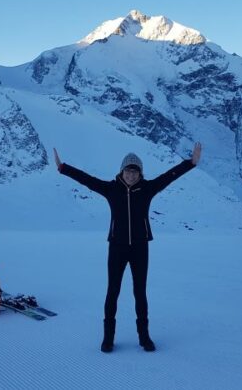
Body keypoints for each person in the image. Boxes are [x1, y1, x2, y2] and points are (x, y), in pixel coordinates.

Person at [54, 142, 202, 353]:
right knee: (112, 291)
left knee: (140, 292)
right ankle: (108, 338)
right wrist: (63, 168)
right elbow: (87, 180)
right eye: (128, 170)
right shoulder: (111, 189)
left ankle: (144, 337)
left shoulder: (148, 189)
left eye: (135, 171)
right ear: (122, 171)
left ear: (140, 173)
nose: (131, 175)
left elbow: (170, 176)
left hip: (140, 247)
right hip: (117, 247)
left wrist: (191, 163)